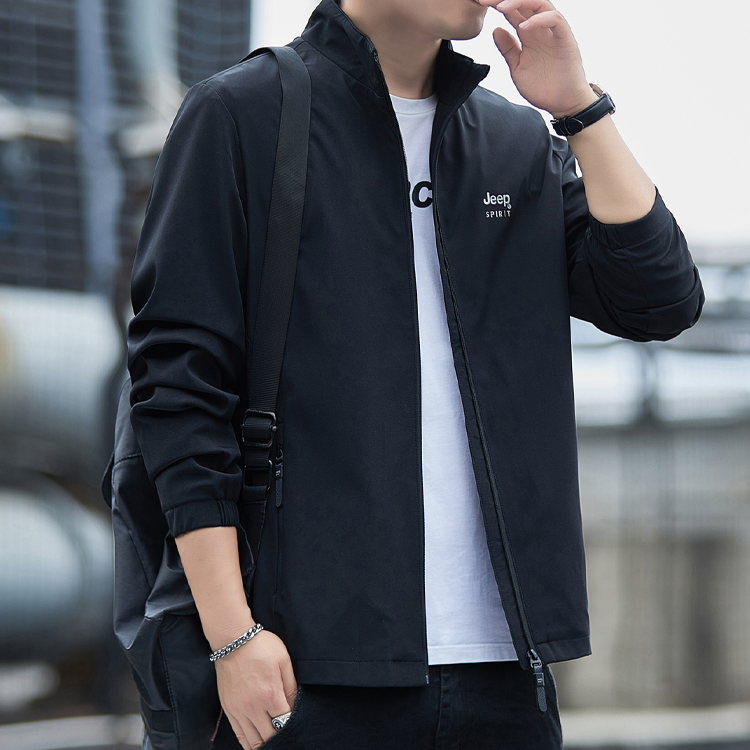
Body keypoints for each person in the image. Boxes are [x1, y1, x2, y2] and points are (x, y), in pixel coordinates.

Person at [126, 0, 704, 748]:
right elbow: (179, 393)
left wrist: (580, 110)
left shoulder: (514, 141)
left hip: (503, 672)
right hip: (302, 666)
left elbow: (660, 300)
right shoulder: (242, 112)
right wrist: (232, 635)